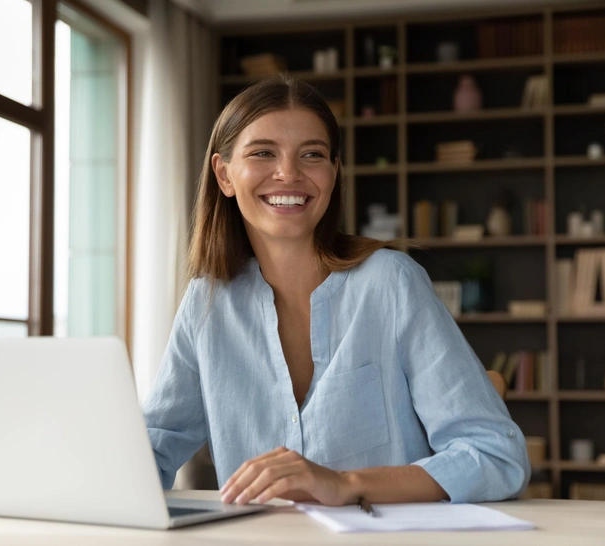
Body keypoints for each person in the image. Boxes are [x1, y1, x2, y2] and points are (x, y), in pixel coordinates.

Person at [143, 74, 530, 507]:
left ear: (332, 174)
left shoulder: (391, 284)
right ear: (224, 175)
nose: (289, 172)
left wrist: (344, 483)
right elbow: (148, 453)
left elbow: (498, 456)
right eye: (263, 152)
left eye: (312, 154)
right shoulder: (207, 303)